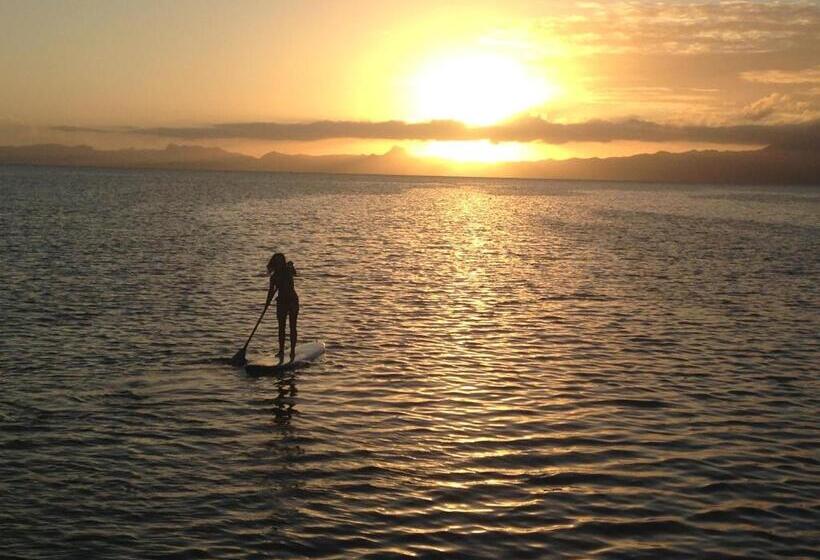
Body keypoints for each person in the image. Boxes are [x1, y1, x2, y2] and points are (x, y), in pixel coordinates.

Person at [266, 252, 299, 363]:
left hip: (292, 301)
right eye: (277, 262)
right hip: (281, 302)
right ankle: (281, 351)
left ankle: (293, 351)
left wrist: (291, 266)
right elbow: (271, 291)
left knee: (292, 326)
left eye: (281, 261)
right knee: (281, 327)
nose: (279, 264)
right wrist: (267, 303)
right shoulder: (274, 277)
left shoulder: (288, 271)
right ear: (274, 263)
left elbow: (295, 273)